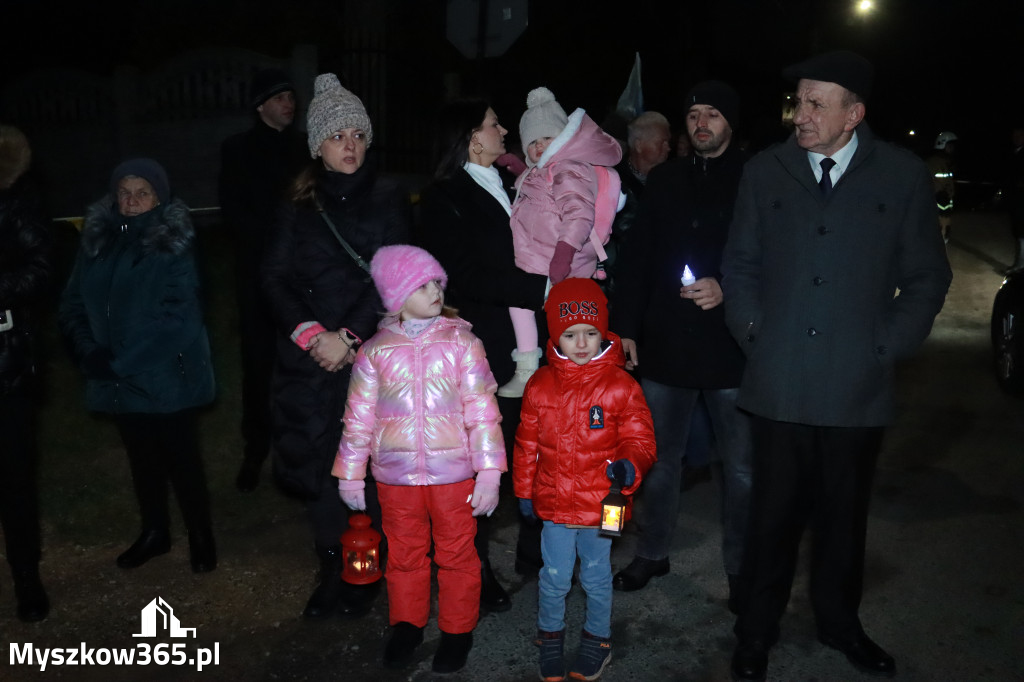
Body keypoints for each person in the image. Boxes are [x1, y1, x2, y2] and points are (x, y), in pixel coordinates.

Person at [721, 50, 952, 681]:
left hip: (856, 386)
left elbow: (928, 275)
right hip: (780, 381)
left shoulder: (901, 175)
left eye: (818, 103)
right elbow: (739, 266)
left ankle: (839, 625)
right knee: (770, 519)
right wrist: (754, 334)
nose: (802, 114)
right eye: (799, 100)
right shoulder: (767, 171)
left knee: (843, 522)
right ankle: (755, 632)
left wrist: (888, 345)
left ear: (855, 113)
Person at [262, 73, 408, 619]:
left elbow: (394, 275)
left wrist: (348, 336)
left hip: (370, 355)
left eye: (358, 134)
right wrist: (311, 336)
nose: (350, 145)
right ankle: (333, 567)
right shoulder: (298, 202)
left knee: (371, 466)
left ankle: (376, 567)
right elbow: (272, 276)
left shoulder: (389, 196)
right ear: (317, 145)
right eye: (337, 135)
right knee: (322, 465)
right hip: (309, 360)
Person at [611, 81, 753, 614]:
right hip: (666, 347)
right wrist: (625, 326)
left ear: (730, 123)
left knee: (740, 469)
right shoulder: (665, 179)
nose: (701, 123)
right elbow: (639, 256)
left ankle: (742, 567)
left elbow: (771, 257)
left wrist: (729, 287)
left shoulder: (756, 179)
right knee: (658, 461)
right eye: (694, 114)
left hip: (730, 348)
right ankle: (653, 552)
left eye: (713, 113)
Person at [334, 244, 505, 673]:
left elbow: (483, 410)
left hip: (454, 477)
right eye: (422, 284)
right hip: (396, 478)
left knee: (457, 554)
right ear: (396, 295)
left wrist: (489, 472)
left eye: (436, 282)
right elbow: (358, 418)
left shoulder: (463, 342)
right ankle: (407, 624)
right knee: (405, 554)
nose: (434, 289)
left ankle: (457, 630)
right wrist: (351, 475)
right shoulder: (374, 352)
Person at [416, 98, 546, 605]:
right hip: (484, 351)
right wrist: (540, 290)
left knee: (533, 451)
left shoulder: (514, 185)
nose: (504, 129)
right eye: (495, 124)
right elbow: (462, 276)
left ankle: (535, 549)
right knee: (483, 461)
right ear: (471, 136)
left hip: (531, 347)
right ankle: (474, 567)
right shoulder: (443, 197)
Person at [59, 158, 217, 573]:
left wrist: (120, 361)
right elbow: (73, 302)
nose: (131, 201)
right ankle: (155, 532)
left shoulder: (173, 240)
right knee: (141, 458)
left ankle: (201, 536)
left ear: (159, 197)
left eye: (142, 192)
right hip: (117, 378)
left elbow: (179, 316)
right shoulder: (97, 241)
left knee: (181, 460)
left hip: (168, 375)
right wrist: (87, 351)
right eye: (124, 192)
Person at [513, 278, 656, 682]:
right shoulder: (540, 385)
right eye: (570, 334)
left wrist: (631, 464)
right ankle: (551, 636)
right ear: (556, 336)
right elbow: (526, 444)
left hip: (601, 506)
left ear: (603, 332)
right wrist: (524, 492)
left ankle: (598, 639)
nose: (581, 343)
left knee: (595, 575)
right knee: (554, 576)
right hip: (555, 505)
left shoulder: (620, 386)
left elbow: (639, 437)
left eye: (590, 333)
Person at [501, 86, 623, 398]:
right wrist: (519, 168)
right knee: (525, 306)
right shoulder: (546, 169)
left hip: (561, 264)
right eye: (532, 143)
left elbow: (578, 214)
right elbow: (538, 187)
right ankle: (533, 369)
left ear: (564, 139)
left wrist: (563, 253)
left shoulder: (569, 167)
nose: (539, 147)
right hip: (538, 261)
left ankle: (577, 379)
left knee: (567, 323)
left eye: (547, 139)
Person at [219, 68, 308, 492]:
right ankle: (255, 450)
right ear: (260, 106)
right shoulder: (237, 150)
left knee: (298, 364)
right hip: (257, 275)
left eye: (291, 96)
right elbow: (235, 212)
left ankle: (296, 453)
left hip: (298, 276)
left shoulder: (304, 149)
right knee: (258, 365)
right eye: (279, 97)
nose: (288, 103)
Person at [0, 124, 52, 621]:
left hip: (6, 364)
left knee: (14, 478)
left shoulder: (16, 197)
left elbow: (42, 266)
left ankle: (26, 577)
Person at [604, 111, 672, 293]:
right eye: (662, 142)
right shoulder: (613, 182)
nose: (668, 148)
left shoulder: (672, 181)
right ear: (640, 145)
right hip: (621, 285)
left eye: (668, 142)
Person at [927, 131, 957, 244]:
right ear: (942, 145)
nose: (952, 148)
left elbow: (948, 182)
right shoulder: (933, 162)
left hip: (946, 201)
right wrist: (939, 194)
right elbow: (930, 181)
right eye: (950, 146)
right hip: (937, 201)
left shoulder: (947, 163)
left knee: (945, 229)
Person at [1005, 125, 1024, 272]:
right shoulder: (1012, 153)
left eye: (1020, 135)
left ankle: (1020, 265)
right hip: (1015, 199)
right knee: (1017, 232)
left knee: (1021, 232)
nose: (1016, 138)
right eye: (1015, 135)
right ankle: (1019, 263)